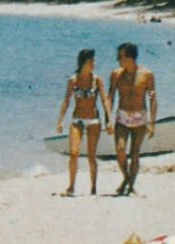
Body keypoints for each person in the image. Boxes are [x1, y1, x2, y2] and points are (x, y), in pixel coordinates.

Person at [54, 48, 112, 196]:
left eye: (93, 60)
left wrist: (109, 120)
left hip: (93, 120)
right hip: (77, 119)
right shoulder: (73, 80)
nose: (94, 63)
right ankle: (71, 186)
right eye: (91, 61)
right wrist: (60, 121)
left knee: (91, 155)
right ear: (83, 62)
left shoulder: (97, 80)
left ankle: (93, 188)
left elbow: (105, 100)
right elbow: (66, 101)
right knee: (74, 153)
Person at [108, 41, 157, 196]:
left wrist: (152, 122)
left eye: (120, 56)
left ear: (129, 57)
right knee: (120, 150)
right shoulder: (116, 75)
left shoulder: (147, 75)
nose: (118, 59)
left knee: (135, 153)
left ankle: (129, 185)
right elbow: (110, 97)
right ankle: (128, 179)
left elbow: (152, 97)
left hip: (140, 117)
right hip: (122, 117)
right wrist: (108, 119)